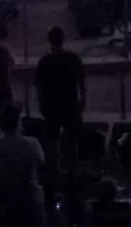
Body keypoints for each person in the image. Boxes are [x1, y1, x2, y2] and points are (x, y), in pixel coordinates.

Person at [33, 27, 86, 168]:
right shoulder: (73, 58)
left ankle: (53, 176)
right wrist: (83, 101)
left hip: (51, 107)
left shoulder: (44, 62)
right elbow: (81, 82)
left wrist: (41, 105)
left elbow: (39, 88)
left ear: (49, 40)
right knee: (72, 143)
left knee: (51, 144)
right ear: (63, 39)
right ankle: (72, 176)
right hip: (70, 106)